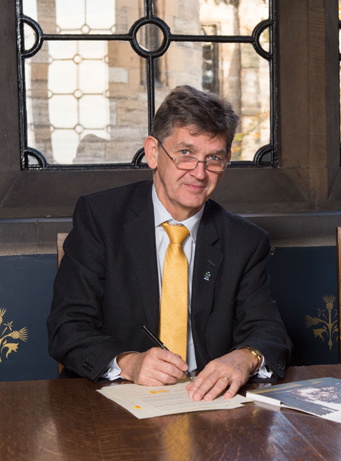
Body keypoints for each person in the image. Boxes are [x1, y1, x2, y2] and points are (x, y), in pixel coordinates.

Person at [48, 85, 291, 401]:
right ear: (152, 152)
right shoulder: (101, 218)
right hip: (116, 401)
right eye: (186, 153)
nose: (199, 173)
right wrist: (128, 363)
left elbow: (270, 334)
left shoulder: (245, 241)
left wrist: (245, 357)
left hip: (208, 406)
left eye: (213, 158)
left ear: (227, 161)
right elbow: (66, 327)